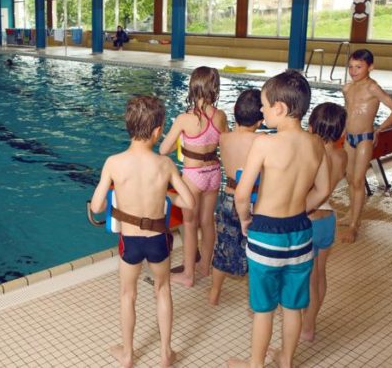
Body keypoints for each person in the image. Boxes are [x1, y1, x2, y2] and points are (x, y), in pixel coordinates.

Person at [228, 69, 330, 368]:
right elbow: (323, 188)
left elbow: (242, 194)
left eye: (263, 104)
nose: (260, 110)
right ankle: (286, 362)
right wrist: (300, 207)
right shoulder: (316, 144)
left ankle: (256, 364)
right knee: (293, 306)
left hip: (266, 234)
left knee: (264, 310)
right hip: (300, 232)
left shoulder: (264, 143)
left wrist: (246, 220)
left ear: (280, 108)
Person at [90, 95, 194, 368]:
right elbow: (189, 202)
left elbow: (98, 206)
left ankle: (127, 355)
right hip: (158, 240)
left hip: (130, 242)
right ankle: (165, 355)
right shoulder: (165, 165)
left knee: (128, 294)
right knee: (162, 290)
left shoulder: (114, 162)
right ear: (159, 131)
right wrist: (167, 199)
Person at [160, 66, 228, 287]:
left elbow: (163, 150)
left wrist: (180, 137)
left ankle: (188, 275)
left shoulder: (185, 119)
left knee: (190, 224)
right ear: (214, 89)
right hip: (214, 174)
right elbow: (225, 145)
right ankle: (205, 267)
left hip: (193, 175)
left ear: (193, 87)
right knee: (208, 222)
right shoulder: (220, 117)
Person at [341, 49, 392, 243]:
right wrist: (343, 130)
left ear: (371, 67)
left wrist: (378, 130)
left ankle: (354, 225)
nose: (353, 71)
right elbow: (347, 110)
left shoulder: (373, 88)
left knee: (358, 181)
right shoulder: (347, 88)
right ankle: (351, 213)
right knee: (350, 178)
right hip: (348, 138)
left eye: (358, 67)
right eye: (351, 67)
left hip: (365, 138)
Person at [208, 88, 263, 306]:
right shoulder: (261, 141)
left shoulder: (224, 138)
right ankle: (253, 299)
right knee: (255, 251)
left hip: (228, 198)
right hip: (253, 201)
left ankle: (214, 293)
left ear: (235, 111)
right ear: (260, 120)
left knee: (222, 247)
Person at [301, 102, 348, 342]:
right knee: (320, 274)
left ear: (310, 127)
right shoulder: (342, 156)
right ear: (341, 132)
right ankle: (311, 324)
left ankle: (305, 325)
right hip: (328, 220)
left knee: (306, 278)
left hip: (308, 220)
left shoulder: (311, 154)